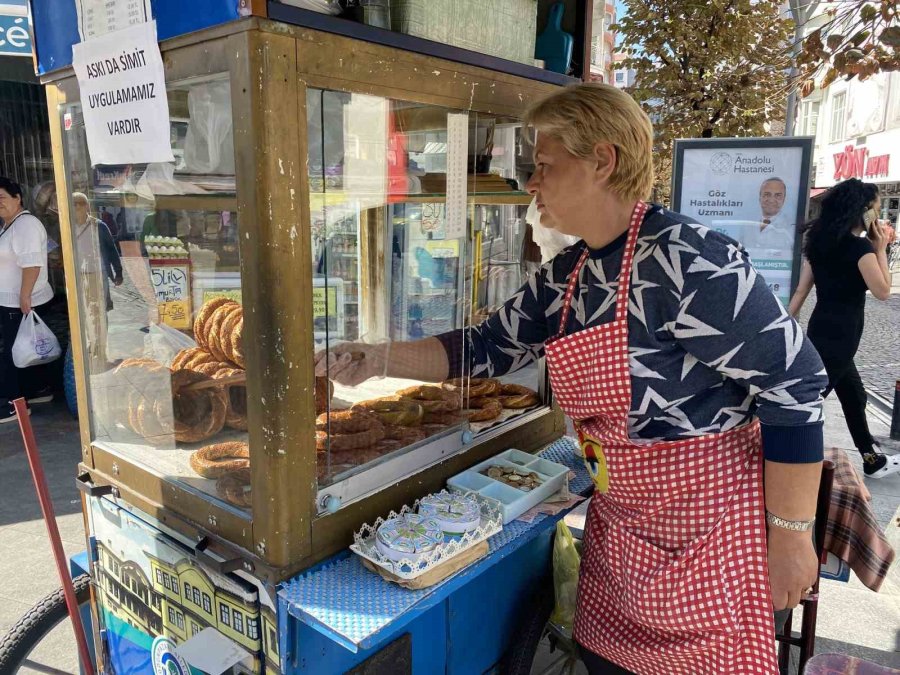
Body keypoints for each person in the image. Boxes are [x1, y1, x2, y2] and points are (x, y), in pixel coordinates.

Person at [317, 83, 828, 674]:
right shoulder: (571, 273)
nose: (532, 184)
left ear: (602, 161)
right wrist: (376, 358)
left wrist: (791, 536)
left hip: (709, 542)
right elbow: (486, 346)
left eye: (544, 165)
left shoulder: (690, 261)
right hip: (621, 539)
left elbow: (795, 387)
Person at [789, 179, 898, 478]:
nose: (878, 216)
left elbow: (801, 291)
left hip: (821, 328)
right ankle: (765, 446)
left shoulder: (820, 242)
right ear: (863, 213)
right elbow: (883, 291)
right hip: (844, 335)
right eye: (875, 210)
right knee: (810, 399)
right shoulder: (861, 248)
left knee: (855, 395)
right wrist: (880, 249)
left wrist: (785, 324)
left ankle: (871, 459)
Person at [0, 176, 56, 423]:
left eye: (1, 197)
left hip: (21, 301)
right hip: (13, 299)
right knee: (27, 347)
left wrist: (25, 298)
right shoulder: (9, 224)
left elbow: (32, 264)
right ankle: (37, 390)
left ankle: (15, 404)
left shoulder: (26, 225)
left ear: (17, 198)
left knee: (13, 352)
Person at [742, 177, 794, 253]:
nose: (771, 200)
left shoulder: (791, 228)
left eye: (778, 195)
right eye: (767, 194)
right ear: (760, 197)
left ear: (784, 199)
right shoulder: (747, 225)